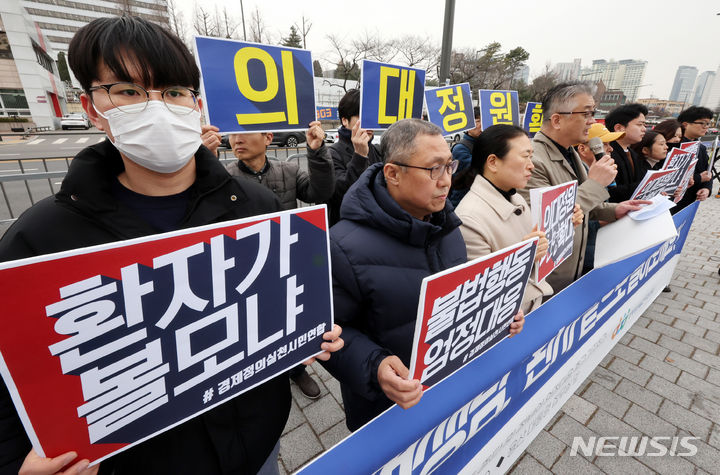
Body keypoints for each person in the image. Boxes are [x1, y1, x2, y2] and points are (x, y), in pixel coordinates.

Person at [0, 16, 343, 475]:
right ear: (91, 105)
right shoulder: (39, 240)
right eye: (129, 91)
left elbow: (275, 311)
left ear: (195, 105)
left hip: (259, 444)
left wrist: (305, 332)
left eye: (174, 92)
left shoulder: (256, 204)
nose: (156, 107)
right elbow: (14, 385)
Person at [323, 119, 525, 431]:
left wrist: (497, 312)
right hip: (385, 407)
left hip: (450, 389)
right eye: (434, 169)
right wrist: (374, 366)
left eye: (450, 166)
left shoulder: (447, 226)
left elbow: (463, 297)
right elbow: (331, 333)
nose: (447, 180)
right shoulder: (342, 246)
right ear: (393, 173)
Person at [222, 123, 334, 399]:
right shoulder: (224, 176)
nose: (236, 140)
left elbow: (319, 193)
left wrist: (317, 152)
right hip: (242, 267)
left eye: (244, 133)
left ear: (268, 138)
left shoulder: (289, 170)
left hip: (284, 260)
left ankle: (296, 369)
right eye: (232, 135)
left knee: (288, 316)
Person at [519, 81, 648, 293]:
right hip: (545, 280)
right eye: (586, 114)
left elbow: (582, 207)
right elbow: (546, 219)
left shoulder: (570, 153)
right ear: (557, 120)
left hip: (571, 268)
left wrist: (614, 209)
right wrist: (596, 183)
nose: (592, 121)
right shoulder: (533, 158)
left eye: (593, 113)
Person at [455, 125, 583, 312]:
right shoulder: (469, 219)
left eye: (531, 156)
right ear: (493, 162)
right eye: (525, 156)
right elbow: (481, 294)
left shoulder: (515, 197)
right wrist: (523, 256)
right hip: (510, 320)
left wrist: (564, 223)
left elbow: (540, 247)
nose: (531, 165)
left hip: (530, 307)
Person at [327, 89, 383, 225]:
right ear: (345, 120)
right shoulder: (332, 153)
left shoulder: (377, 150)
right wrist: (360, 155)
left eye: (372, 117)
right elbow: (342, 193)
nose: (369, 124)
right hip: (346, 225)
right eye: (362, 118)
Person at [603, 103, 648, 202]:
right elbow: (610, 193)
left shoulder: (633, 154)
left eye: (644, 125)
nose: (644, 129)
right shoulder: (607, 154)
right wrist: (646, 186)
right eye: (639, 124)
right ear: (618, 128)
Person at [675, 106, 713, 211]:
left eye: (708, 124)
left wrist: (706, 188)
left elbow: (708, 171)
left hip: (690, 202)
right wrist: (699, 178)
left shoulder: (701, 148)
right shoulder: (673, 145)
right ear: (685, 124)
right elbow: (672, 178)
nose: (706, 127)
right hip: (672, 203)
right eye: (702, 123)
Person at [448, 106, 482, 206]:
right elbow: (478, 171)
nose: (481, 125)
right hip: (461, 202)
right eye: (477, 121)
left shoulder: (484, 144)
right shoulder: (460, 148)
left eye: (483, 121)